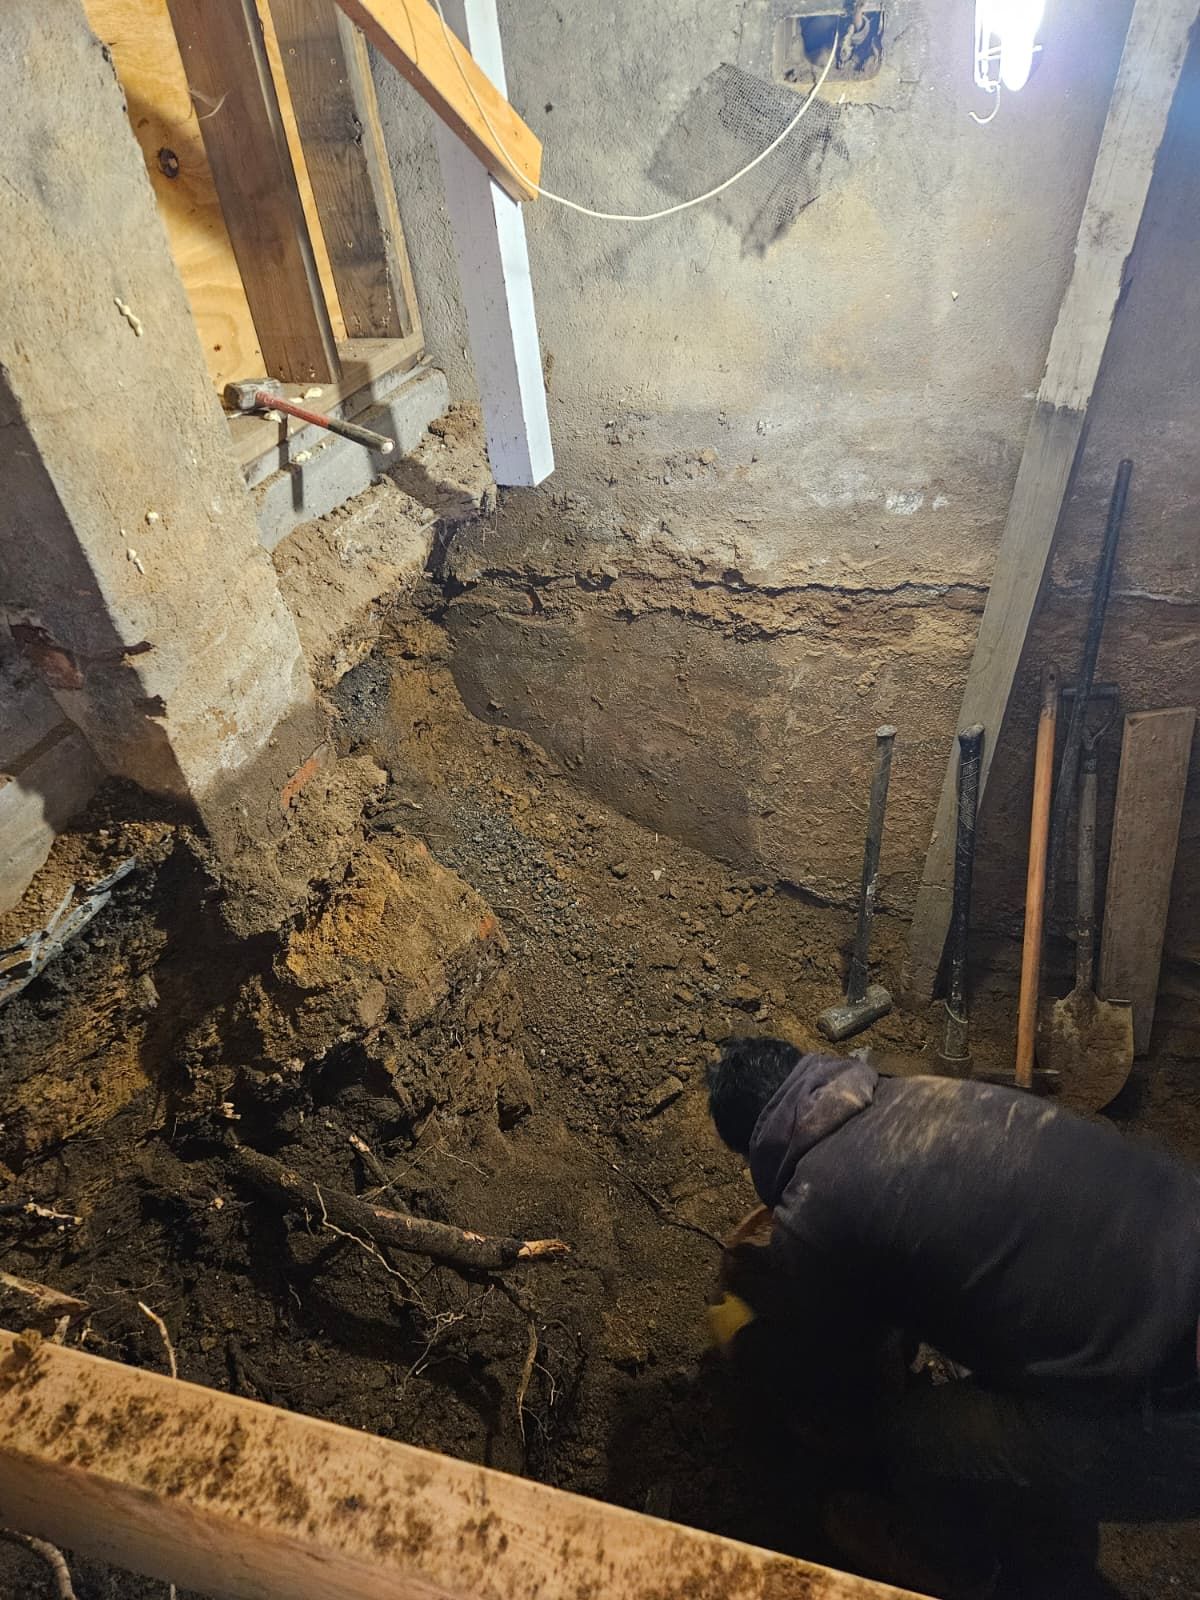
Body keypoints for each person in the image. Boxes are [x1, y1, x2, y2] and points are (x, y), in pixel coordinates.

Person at [706, 1036, 1200, 1598]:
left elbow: (834, 1381)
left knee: (915, 1433)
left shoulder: (816, 1206)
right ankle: (1038, 1512)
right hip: (1170, 1259)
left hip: (1169, 1416)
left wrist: (748, 1342)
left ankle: (953, 1564)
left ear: (751, 1146)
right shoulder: (915, 1095)